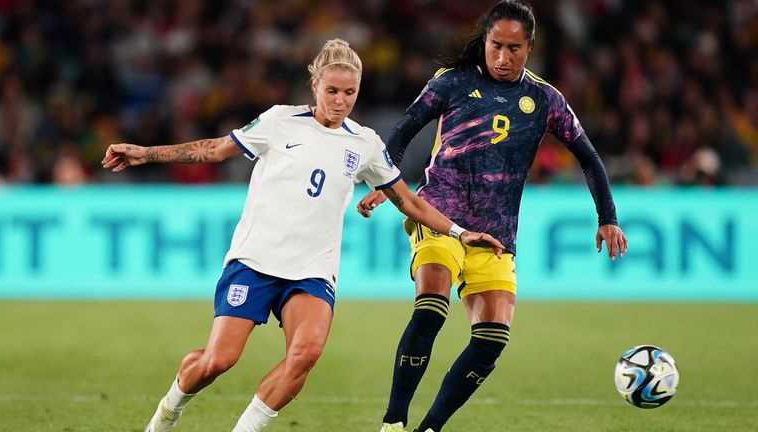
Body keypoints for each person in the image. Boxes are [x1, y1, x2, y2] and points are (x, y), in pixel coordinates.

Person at [101, 38, 504, 432]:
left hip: (312, 271)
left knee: (305, 354)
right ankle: (169, 411)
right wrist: (146, 152)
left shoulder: (364, 143)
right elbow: (213, 150)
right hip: (256, 261)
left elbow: (408, 201)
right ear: (315, 85)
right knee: (218, 361)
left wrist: (458, 231)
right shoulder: (279, 121)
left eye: (350, 92)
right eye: (332, 90)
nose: (340, 100)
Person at [356, 2, 629, 432]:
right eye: (495, 46)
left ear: (530, 48)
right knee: (431, 309)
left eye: (514, 49)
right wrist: (383, 181)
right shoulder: (452, 82)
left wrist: (607, 216)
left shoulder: (544, 99)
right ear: (484, 41)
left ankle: (429, 428)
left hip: (496, 234)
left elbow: (589, 156)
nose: (503, 57)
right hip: (438, 215)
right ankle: (393, 422)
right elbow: (404, 130)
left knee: (491, 340)